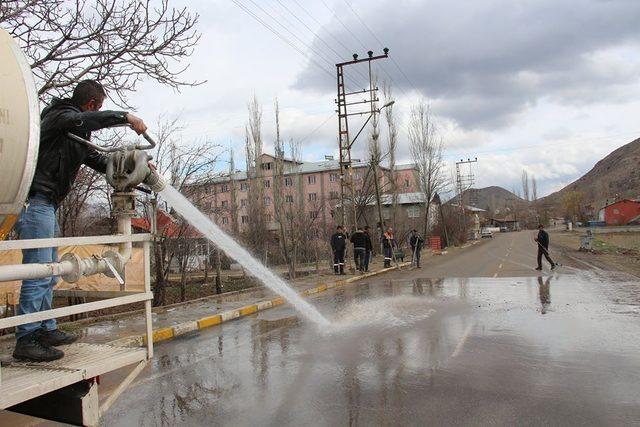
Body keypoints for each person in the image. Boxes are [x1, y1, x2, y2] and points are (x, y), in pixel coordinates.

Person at [13, 80, 148, 362]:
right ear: (93, 105)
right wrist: (124, 118)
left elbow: (100, 161)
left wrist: (139, 168)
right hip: (35, 202)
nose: (94, 112)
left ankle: (45, 328)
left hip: (48, 205)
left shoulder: (75, 135)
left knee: (48, 272)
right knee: (38, 272)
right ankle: (26, 339)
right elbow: (82, 120)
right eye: (97, 108)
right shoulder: (59, 117)